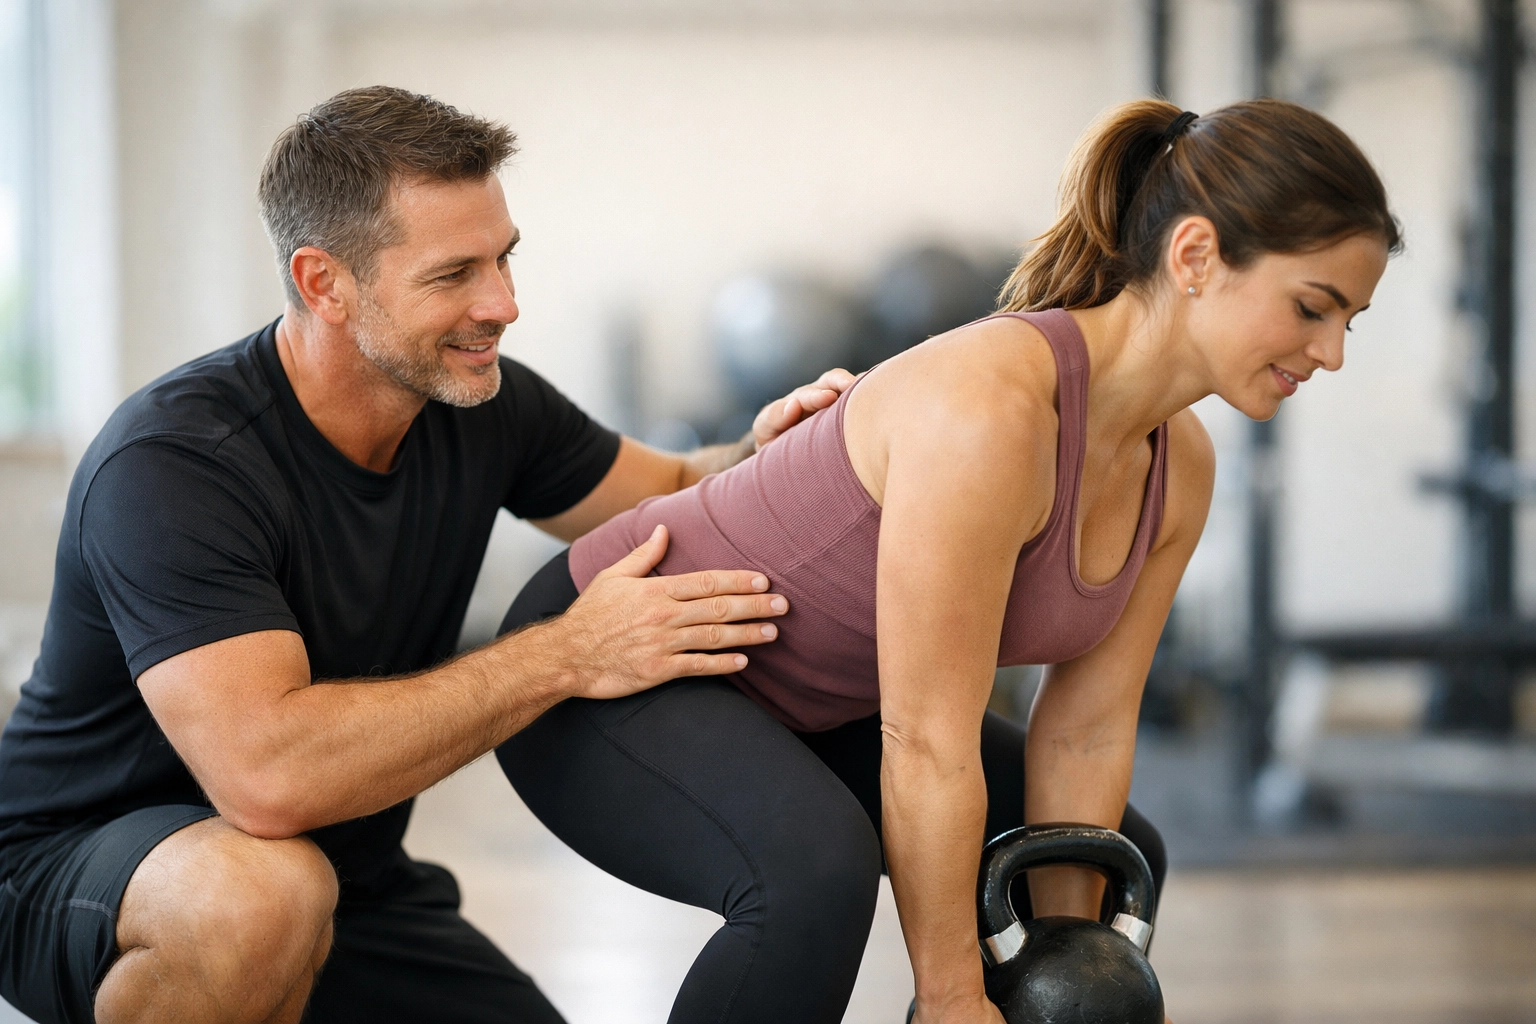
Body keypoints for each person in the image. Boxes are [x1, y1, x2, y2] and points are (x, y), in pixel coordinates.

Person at [496, 97, 1401, 1024]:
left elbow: (1085, 729)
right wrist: (952, 996)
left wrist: (1066, 971)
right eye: (1312, 308)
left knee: (1107, 863)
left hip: (811, 704)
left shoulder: (1181, 468)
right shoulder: (989, 412)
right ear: (1197, 256)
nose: (1328, 353)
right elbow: (927, 742)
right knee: (812, 872)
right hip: (612, 665)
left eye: (1349, 323)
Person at [0, 86, 852, 1024]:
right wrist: (571, 650)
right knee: (259, 898)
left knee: (301, 890)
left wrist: (772, 452)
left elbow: (679, 481)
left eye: (504, 259)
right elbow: (269, 780)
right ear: (324, 283)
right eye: (454, 276)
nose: (504, 304)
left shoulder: (479, 403)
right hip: (87, 865)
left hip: (351, 881)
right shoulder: (175, 465)